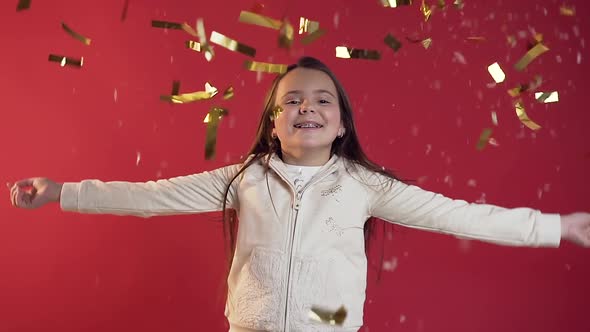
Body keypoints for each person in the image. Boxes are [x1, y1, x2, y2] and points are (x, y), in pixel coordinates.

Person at [8, 56, 590, 332]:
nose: (305, 106)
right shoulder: (244, 180)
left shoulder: (363, 186)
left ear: (340, 126)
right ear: (272, 125)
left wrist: (557, 226)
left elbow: (457, 216)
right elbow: (151, 195)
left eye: (321, 100)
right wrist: (63, 192)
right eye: (290, 100)